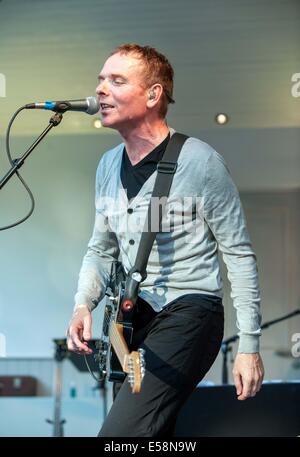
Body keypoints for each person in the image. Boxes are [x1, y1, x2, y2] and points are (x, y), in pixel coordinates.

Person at [66, 43, 264, 437]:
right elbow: (101, 249)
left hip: (190, 311)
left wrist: (249, 345)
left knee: (120, 435)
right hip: (133, 320)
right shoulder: (108, 165)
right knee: (155, 435)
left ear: (154, 95)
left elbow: (238, 254)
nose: (101, 89)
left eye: (117, 80)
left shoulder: (200, 162)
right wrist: (81, 304)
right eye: (101, 79)